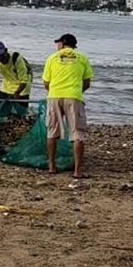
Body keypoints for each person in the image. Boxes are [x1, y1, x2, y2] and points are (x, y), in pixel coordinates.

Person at [42, 33, 93, 178]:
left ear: (63, 44)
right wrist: (76, 92)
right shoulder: (82, 58)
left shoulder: (52, 58)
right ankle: (77, 171)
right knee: (78, 133)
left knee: (52, 132)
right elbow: (87, 82)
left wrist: (54, 92)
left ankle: (52, 167)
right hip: (74, 97)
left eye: (58, 43)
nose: (57, 45)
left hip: (54, 96)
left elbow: (46, 82)